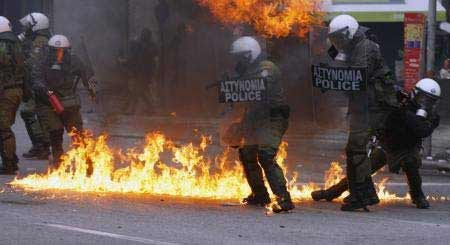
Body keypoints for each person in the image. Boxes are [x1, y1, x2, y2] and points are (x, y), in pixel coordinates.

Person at [312, 78, 441, 209]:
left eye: (429, 100)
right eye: (423, 98)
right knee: (363, 171)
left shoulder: (431, 116)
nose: (425, 103)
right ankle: (331, 193)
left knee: (412, 167)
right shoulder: (400, 102)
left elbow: (422, 130)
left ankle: (418, 196)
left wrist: (409, 114)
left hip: (407, 148)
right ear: (415, 93)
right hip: (388, 145)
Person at [326, 15, 398, 211]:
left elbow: (356, 77)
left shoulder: (364, 48)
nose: (337, 42)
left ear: (349, 32)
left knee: (357, 149)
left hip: (374, 106)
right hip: (365, 105)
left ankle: (364, 195)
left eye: (339, 37)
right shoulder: (352, 48)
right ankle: (360, 193)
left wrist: (339, 63)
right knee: (354, 150)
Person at [223, 36, 294, 213]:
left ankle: (284, 199)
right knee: (246, 153)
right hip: (256, 117)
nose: (237, 61)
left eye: (240, 57)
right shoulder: (249, 71)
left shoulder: (266, 68)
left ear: (249, 55)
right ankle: (260, 194)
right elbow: (249, 102)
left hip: (272, 118)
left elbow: (260, 89)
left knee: (265, 155)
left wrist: (238, 83)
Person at [31, 35, 95, 167]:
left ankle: (87, 164)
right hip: (48, 103)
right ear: (50, 50)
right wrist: (43, 88)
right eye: (55, 51)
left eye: (62, 51)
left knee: (77, 133)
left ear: (67, 51)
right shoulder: (42, 61)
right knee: (55, 131)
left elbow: (87, 75)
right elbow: (35, 78)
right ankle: (58, 163)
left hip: (68, 103)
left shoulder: (74, 61)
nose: (58, 54)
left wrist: (91, 89)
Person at [18, 12, 51, 159]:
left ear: (36, 26)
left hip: (37, 84)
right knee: (35, 113)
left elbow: (33, 62)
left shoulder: (40, 41)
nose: (26, 29)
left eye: (28, 26)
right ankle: (41, 145)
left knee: (29, 112)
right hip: (38, 83)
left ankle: (41, 145)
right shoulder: (38, 38)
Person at [0, 16, 25, 175]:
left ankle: (9, 165)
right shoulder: (16, 44)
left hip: (6, 92)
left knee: (3, 128)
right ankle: (11, 159)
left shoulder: (3, 45)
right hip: (14, 91)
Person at [120, 29, 159, 115]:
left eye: (144, 35)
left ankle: (132, 110)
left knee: (137, 91)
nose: (143, 37)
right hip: (139, 72)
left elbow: (154, 54)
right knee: (141, 91)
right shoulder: (139, 46)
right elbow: (134, 58)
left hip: (146, 72)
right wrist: (126, 62)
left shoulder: (150, 46)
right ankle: (151, 108)